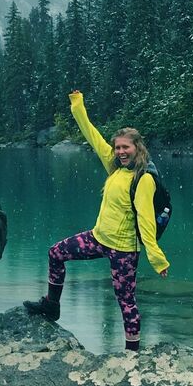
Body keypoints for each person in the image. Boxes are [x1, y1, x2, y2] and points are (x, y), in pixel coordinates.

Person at [24, 91, 170, 351]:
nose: (121, 151)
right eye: (118, 147)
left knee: (125, 300)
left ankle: (132, 352)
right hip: (98, 238)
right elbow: (92, 136)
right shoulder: (115, 166)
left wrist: (157, 258)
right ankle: (51, 305)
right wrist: (78, 106)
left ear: (138, 148)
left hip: (124, 249)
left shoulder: (143, 179)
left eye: (126, 147)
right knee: (56, 253)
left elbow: (147, 222)